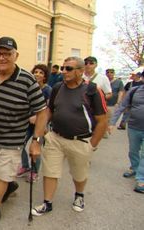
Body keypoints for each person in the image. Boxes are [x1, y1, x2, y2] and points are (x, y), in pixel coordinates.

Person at [0, 37, 48, 230]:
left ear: (16, 56)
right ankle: (10, 185)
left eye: (7, 53)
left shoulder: (27, 81)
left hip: (12, 141)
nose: (2, 57)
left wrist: (36, 141)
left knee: (1, 175)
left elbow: (42, 112)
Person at [31, 56, 108, 217]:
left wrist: (92, 145)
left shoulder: (92, 90)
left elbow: (102, 121)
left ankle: (79, 195)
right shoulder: (58, 88)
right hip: (55, 138)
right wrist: (40, 133)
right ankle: (47, 203)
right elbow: (49, 111)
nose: (64, 71)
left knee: (79, 174)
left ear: (81, 71)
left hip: (80, 141)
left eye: (69, 69)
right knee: (50, 172)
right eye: (63, 68)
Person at [17, 64, 52, 183]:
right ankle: (25, 166)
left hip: (39, 124)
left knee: (35, 148)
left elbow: (48, 108)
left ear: (45, 76)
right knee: (20, 144)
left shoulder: (47, 90)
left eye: (41, 73)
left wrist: (40, 120)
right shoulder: (30, 87)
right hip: (27, 122)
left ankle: (35, 172)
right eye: (36, 72)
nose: (37, 74)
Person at [109, 79, 144, 192]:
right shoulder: (134, 91)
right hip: (134, 127)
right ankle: (134, 167)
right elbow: (122, 106)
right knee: (133, 150)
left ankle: (141, 179)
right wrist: (112, 123)